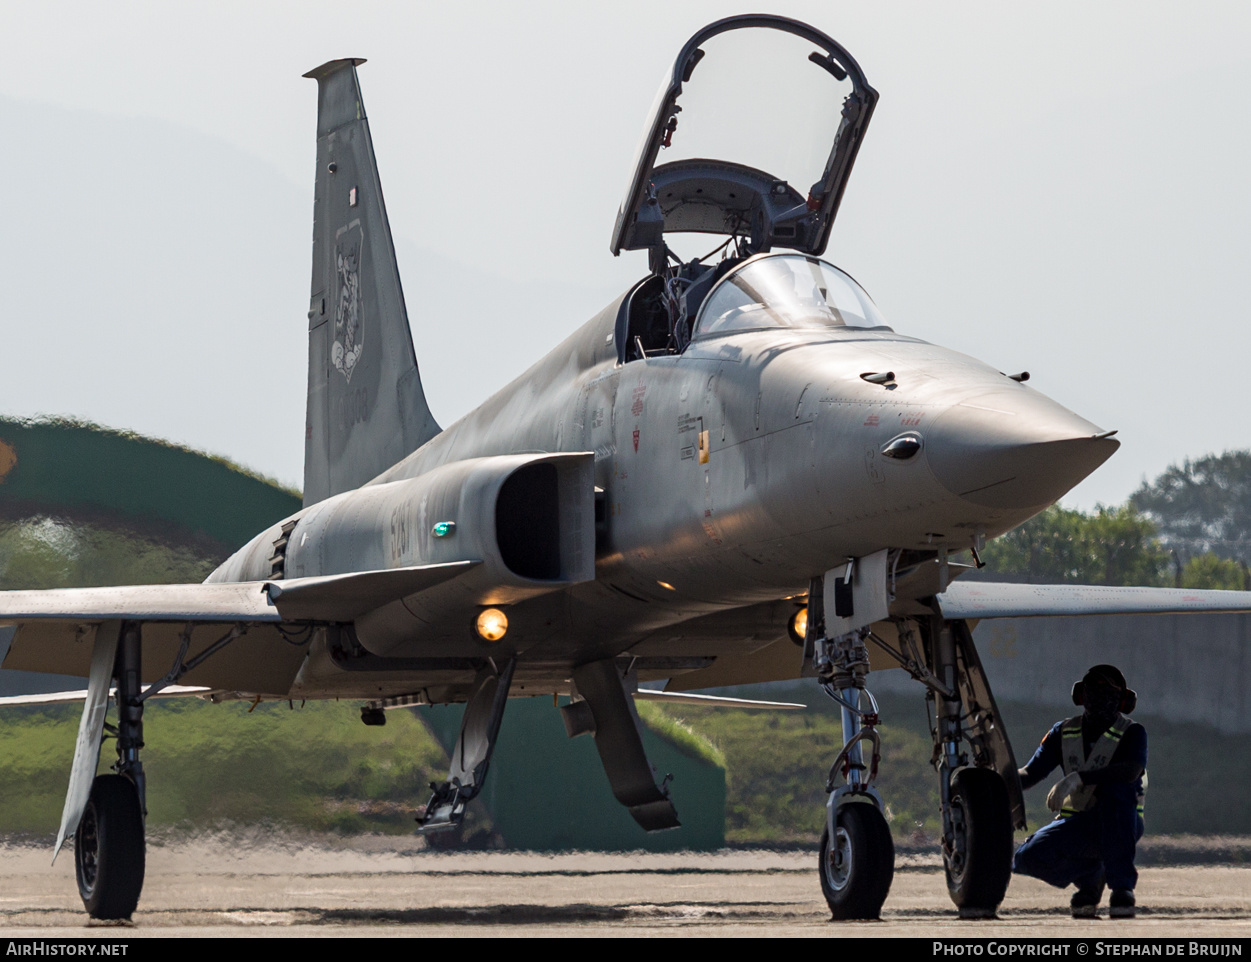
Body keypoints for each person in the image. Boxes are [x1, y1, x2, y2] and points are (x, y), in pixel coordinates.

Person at [1012, 664, 1147, 918]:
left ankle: (1122, 889)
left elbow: (1131, 771)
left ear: (1122, 700)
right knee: (1027, 857)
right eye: (1094, 691)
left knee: (1115, 797)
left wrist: (1079, 778)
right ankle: (1090, 875)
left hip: (1122, 822)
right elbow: (1030, 774)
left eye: (1109, 692)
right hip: (1079, 823)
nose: (1100, 698)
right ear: (1081, 696)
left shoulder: (1132, 733)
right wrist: (998, 782)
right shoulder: (1063, 732)